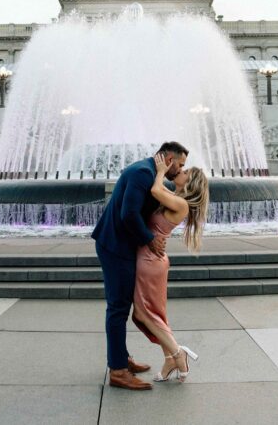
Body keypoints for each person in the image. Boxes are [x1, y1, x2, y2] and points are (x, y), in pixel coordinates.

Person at [92, 141, 189, 391]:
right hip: (115, 246)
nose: (179, 170)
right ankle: (118, 371)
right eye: (179, 164)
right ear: (168, 158)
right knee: (118, 308)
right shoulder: (142, 173)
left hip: (123, 246)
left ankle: (121, 358)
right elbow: (128, 214)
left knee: (122, 307)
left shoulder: (149, 173)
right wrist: (150, 240)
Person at [132, 153, 209, 383]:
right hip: (151, 259)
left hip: (150, 261)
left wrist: (160, 173)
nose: (181, 172)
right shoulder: (175, 197)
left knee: (143, 313)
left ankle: (178, 353)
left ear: (190, 182)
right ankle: (169, 359)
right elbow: (154, 194)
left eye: (185, 172)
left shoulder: (181, 203)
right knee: (154, 314)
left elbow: (155, 191)